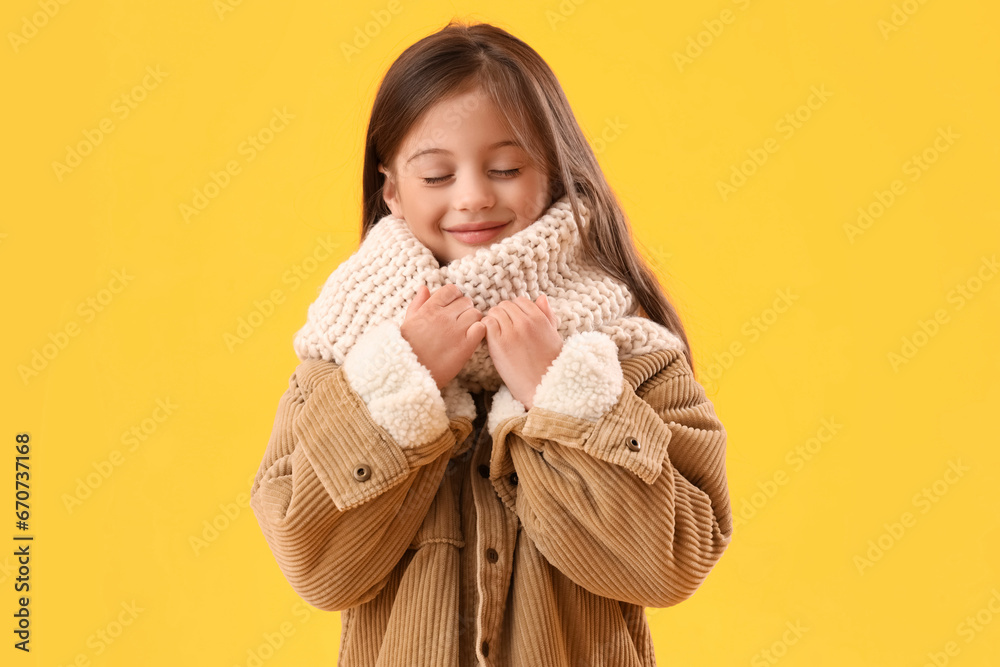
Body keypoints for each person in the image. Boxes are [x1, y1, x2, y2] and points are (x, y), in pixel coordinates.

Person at [250, 19, 733, 667]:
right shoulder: (342, 356)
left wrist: (561, 395)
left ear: (556, 175)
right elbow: (319, 568)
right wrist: (399, 382)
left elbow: (671, 561)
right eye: (436, 175)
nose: (474, 196)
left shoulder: (632, 355)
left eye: (505, 167)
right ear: (391, 188)